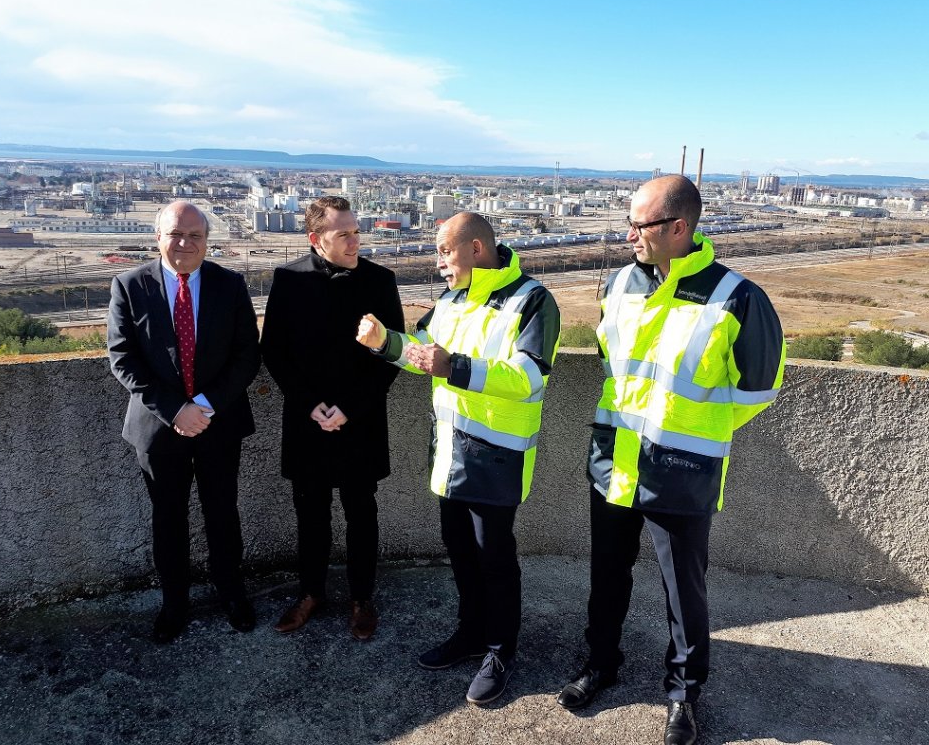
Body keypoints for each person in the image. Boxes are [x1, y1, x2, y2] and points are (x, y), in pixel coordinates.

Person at [556, 175, 785, 745]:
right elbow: (616, 366)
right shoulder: (617, 285)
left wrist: (691, 431)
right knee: (606, 575)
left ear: (678, 227)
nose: (628, 233)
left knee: (684, 589)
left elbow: (759, 389)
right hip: (614, 463)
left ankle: (683, 694)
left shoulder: (735, 297)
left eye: (641, 224)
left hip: (681, 472)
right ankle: (600, 664)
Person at [356, 211, 560, 705]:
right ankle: (471, 633)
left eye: (445, 250)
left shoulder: (532, 301)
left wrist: (455, 366)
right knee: (461, 553)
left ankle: (500, 649)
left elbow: (528, 376)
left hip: (497, 457)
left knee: (495, 558)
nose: (439, 261)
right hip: (450, 454)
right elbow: (423, 353)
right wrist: (386, 344)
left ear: (475, 249)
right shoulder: (450, 302)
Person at [107, 200, 261, 644]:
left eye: (195, 235)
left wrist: (206, 406)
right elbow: (123, 358)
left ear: (207, 241)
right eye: (175, 234)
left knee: (222, 514)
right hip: (159, 429)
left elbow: (247, 355)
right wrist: (176, 410)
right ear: (158, 237)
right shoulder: (129, 285)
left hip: (219, 423)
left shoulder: (229, 285)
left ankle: (232, 593)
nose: (185, 243)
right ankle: (174, 603)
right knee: (168, 519)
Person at [261, 196, 404, 640]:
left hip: (359, 420)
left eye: (356, 231)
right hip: (308, 420)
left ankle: (362, 598)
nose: (354, 240)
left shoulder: (381, 280)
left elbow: (392, 353)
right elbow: (275, 351)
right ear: (315, 239)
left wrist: (349, 408)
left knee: (362, 511)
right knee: (310, 511)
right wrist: (310, 404)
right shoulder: (288, 279)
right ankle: (311, 593)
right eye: (343, 233)